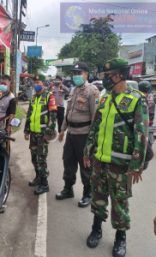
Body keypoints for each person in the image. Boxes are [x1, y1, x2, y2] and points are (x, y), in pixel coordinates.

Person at [83, 58, 149, 257]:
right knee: (98, 197)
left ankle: (121, 238)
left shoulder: (136, 99)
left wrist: (136, 165)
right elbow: (96, 127)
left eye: (108, 76)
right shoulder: (105, 98)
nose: (105, 80)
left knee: (119, 202)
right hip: (99, 160)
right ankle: (96, 229)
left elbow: (141, 134)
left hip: (121, 164)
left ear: (120, 75)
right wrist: (88, 151)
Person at [56, 61, 100, 208]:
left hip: (84, 135)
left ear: (86, 74)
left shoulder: (92, 91)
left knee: (86, 166)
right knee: (68, 162)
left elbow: (95, 117)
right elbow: (68, 112)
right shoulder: (74, 90)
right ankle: (68, 189)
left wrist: (92, 141)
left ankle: (88, 194)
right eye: (74, 73)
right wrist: (62, 130)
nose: (76, 76)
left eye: (78, 73)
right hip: (71, 134)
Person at [24, 81, 57, 195]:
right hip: (33, 133)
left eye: (39, 84)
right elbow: (29, 114)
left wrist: (49, 132)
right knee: (34, 158)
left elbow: (53, 115)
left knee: (41, 159)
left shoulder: (49, 96)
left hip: (43, 134)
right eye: (35, 84)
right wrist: (26, 130)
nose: (36, 86)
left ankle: (44, 184)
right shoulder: (33, 98)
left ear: (44, 85)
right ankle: (38, 177)